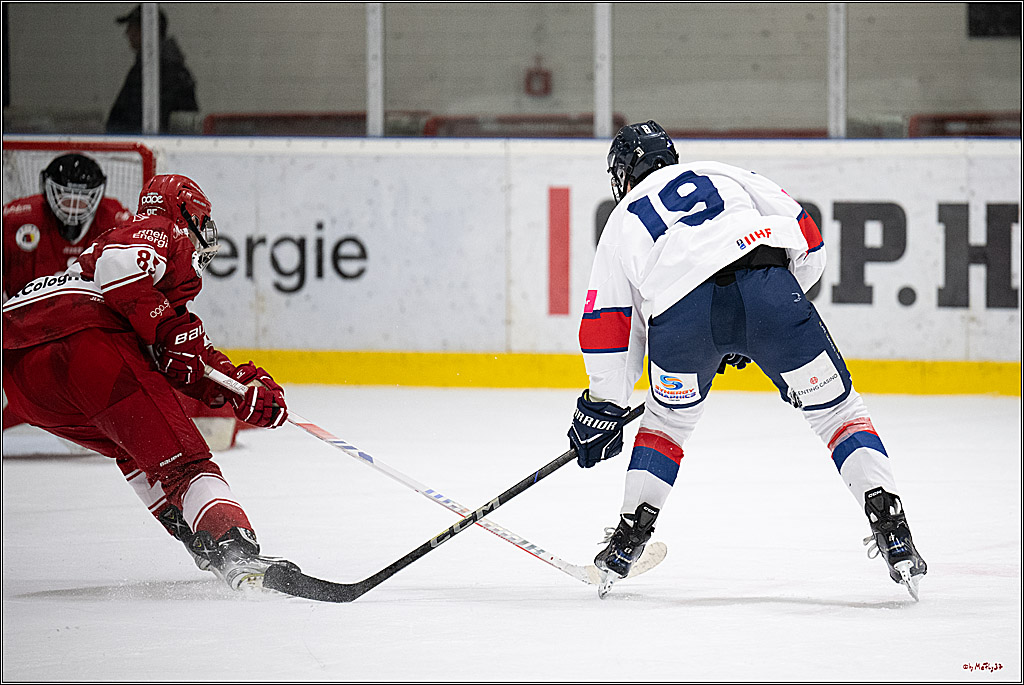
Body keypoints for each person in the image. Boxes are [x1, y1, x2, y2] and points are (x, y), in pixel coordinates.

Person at [568, 121, 928, 599]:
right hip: (770, 294)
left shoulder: (624, 218)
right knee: (838, 412)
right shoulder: (723, 172)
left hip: (683, 319)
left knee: (667, 423)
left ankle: (628, 539)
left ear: (622, 177)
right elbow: (808, 237)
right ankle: (893, 529)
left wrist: (605, 405)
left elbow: (610, 321)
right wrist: (763, 323)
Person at [2, 173, 297, 593]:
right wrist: (161, 329)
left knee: (137, 451)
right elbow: (119, 270)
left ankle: (200, 537)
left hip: (24, 376)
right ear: (184, 215)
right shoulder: (160, 232)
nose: (205, 233)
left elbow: (188, 359)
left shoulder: (147, 286)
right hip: (84, 343)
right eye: (202, 220)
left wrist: (242, 392)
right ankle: (234, 550)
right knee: (186, 462)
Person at [2, 152, 239, 452]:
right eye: (66, 196)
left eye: (83, 197)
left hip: (81, 339)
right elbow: (125, 280)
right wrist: (164, 327)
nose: (74, 207)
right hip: (25, 332)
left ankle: (215, 413)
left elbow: (140, 297)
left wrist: (166, 329)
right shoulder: (14, 219)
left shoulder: (119, 221)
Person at [106, 4, 198, 134]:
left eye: (132, 28)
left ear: (146, 30)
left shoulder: (155, 70)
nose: (127, 33)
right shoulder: (165, 66)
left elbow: (129, 116)